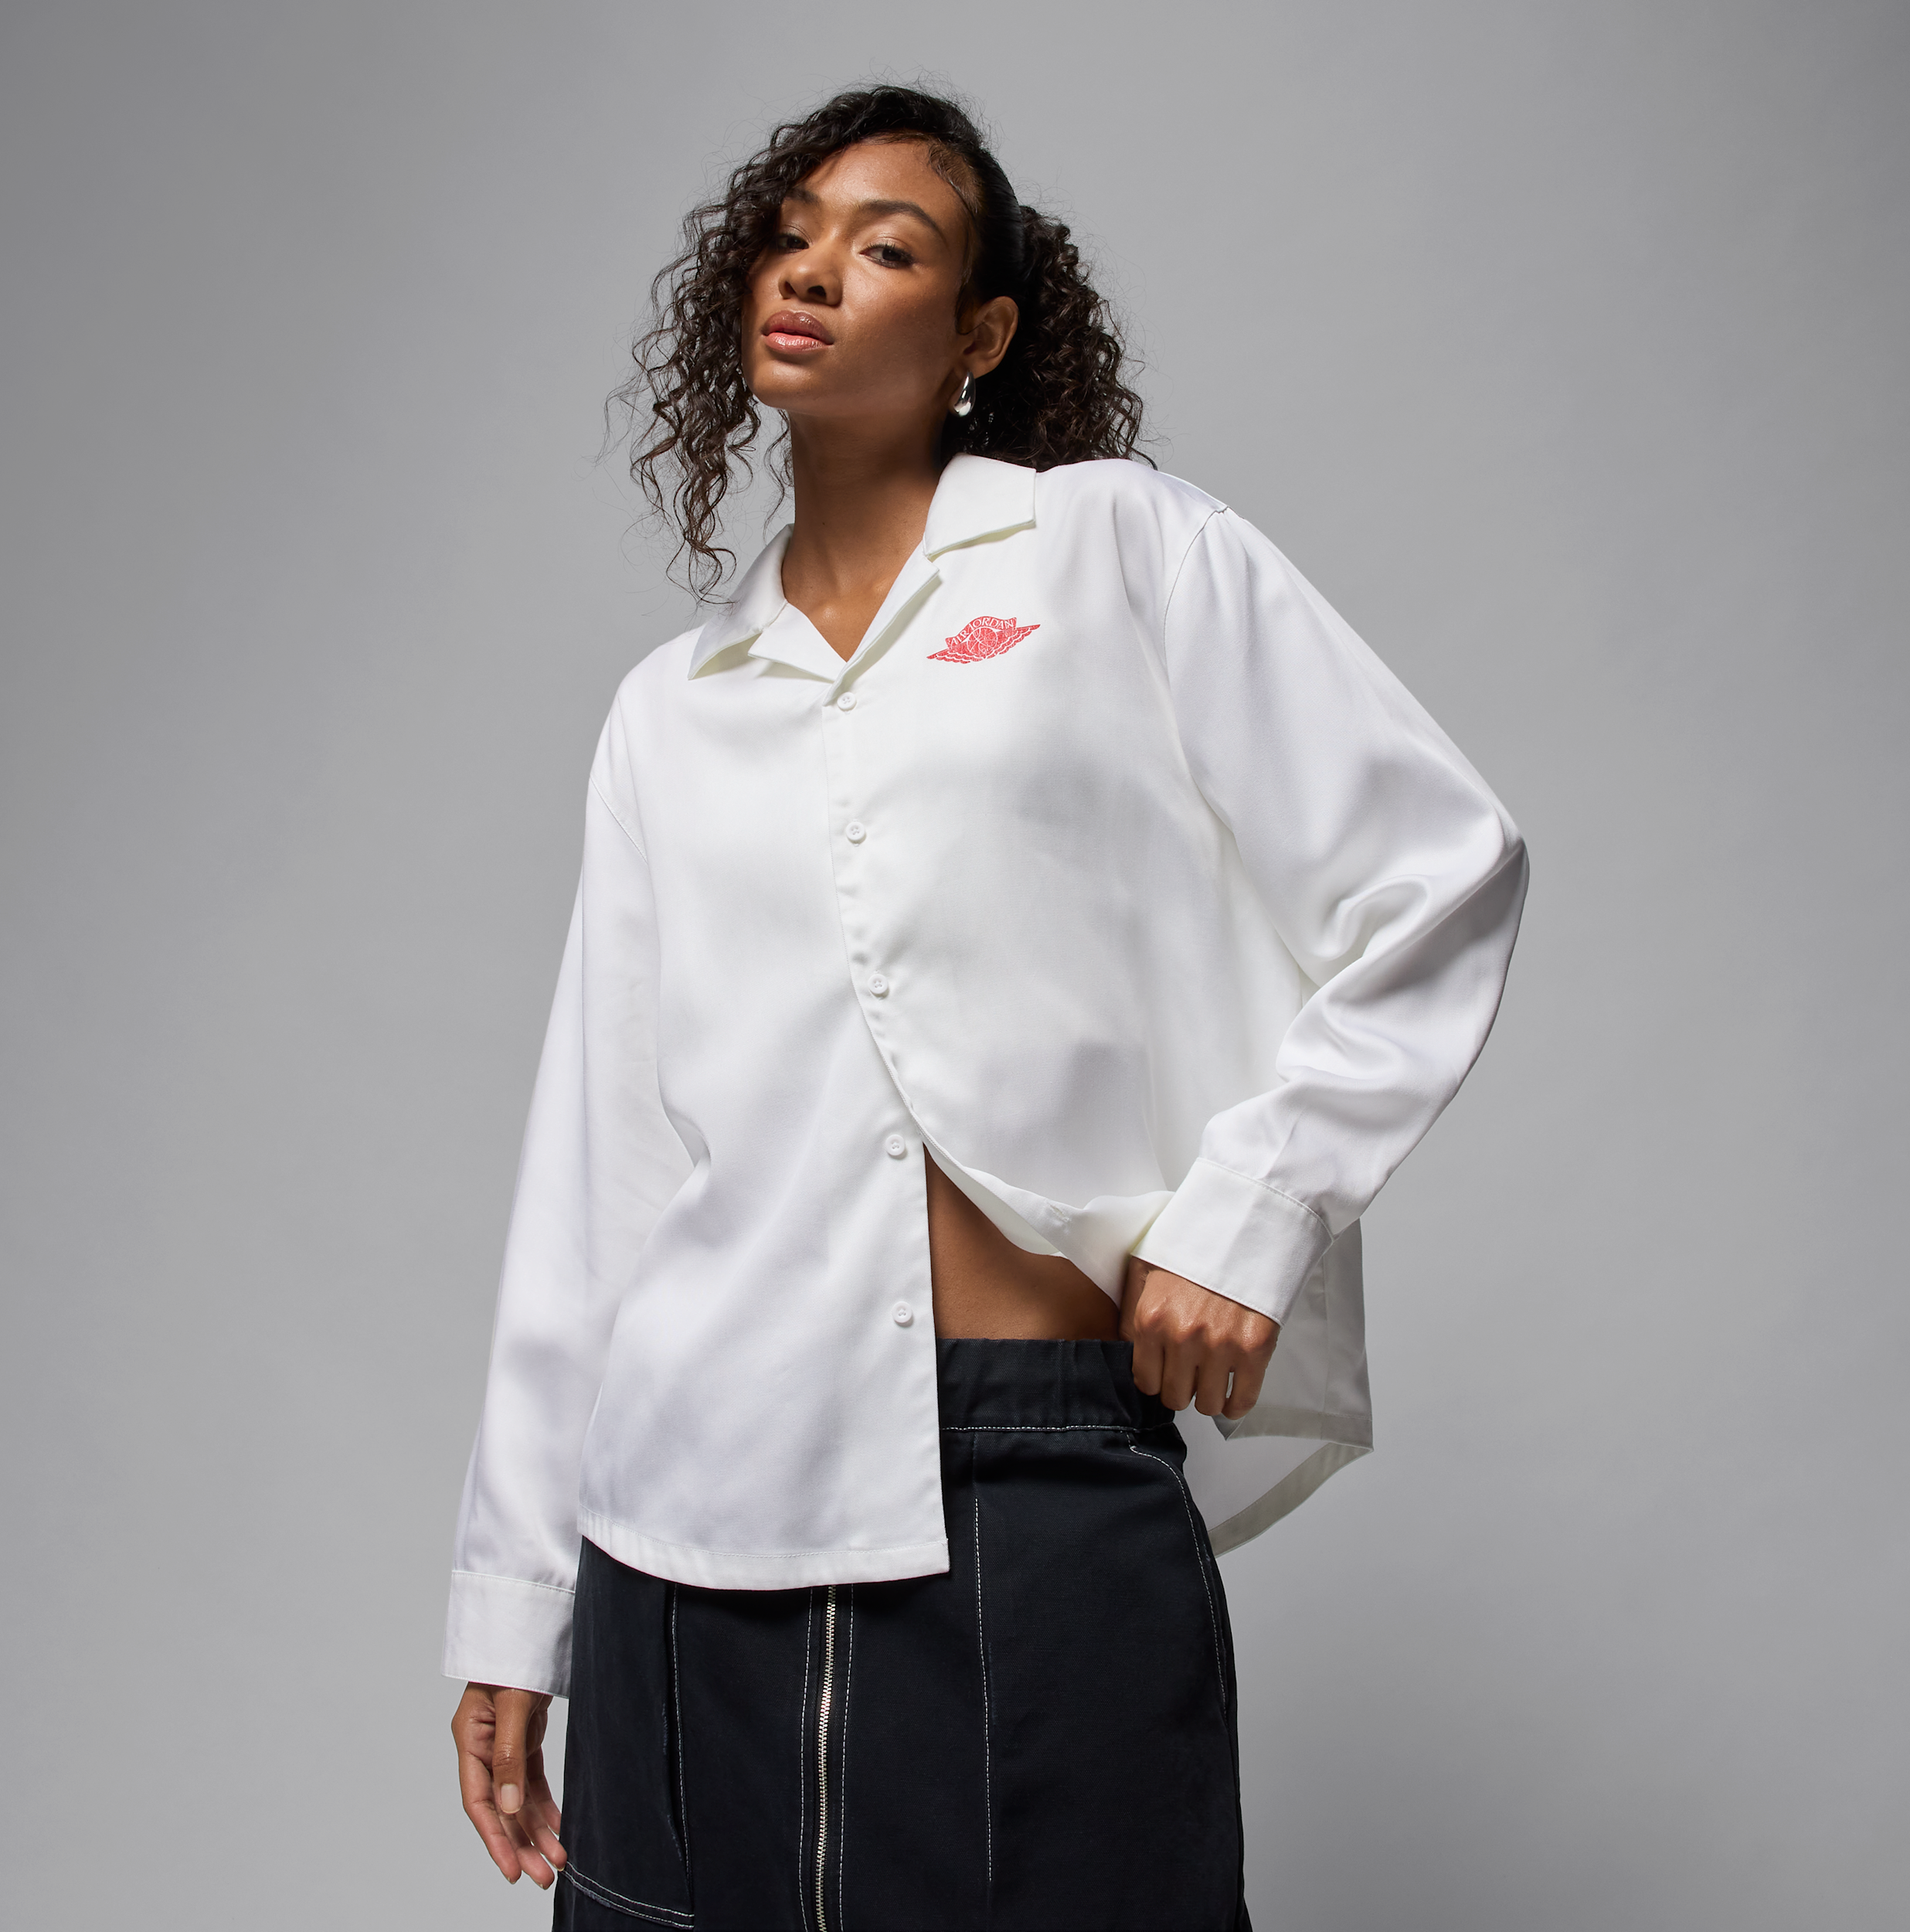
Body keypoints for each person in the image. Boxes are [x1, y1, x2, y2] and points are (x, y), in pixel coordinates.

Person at [444, 84, 1527, 1932]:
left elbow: (1440, 865)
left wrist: (1251, 1208)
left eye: (887, 248)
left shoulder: (1113, 550)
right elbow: (602, 1166)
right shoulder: (671, 705)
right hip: (681, 1505)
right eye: (789, 234)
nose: (812, 270)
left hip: (1032, 1453)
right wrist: (513, 1594)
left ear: (980, 333)